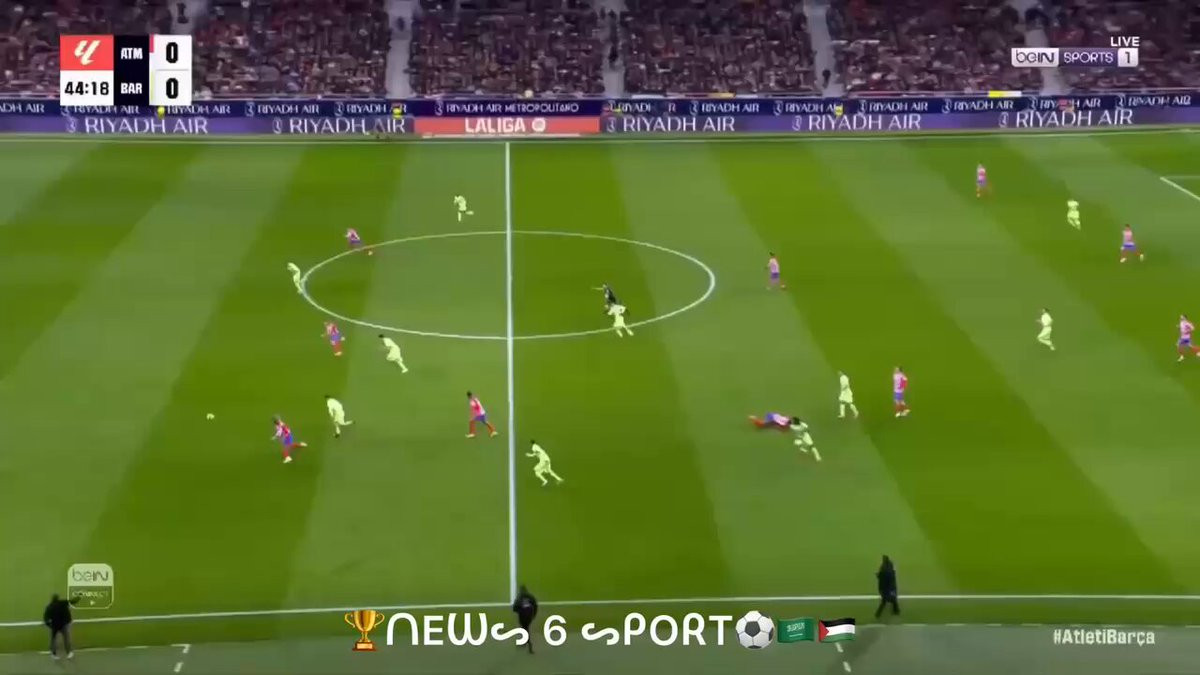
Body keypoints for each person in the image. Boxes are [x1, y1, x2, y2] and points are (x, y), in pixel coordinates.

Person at [43, 594, 78, 660]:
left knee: (53, 640)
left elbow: (45, 618)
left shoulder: (49, 606)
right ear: (58, 598)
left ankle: (53, 654)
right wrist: (79, 596)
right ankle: (69, 653)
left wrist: (49, 625)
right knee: (66, 639)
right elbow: (73, 601)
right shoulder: (63, 603)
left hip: (54, 626)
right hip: (63, 625)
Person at [512, 585, 538, 654]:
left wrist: (519, 611)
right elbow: (535, 605)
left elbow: (514, 608)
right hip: (529, 616)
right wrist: (534, 615)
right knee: (525, 629)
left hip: (522, 616)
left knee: (525, 629)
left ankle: (529, 646)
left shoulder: (519, 597)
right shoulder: (530, 596)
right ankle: (524, 642)